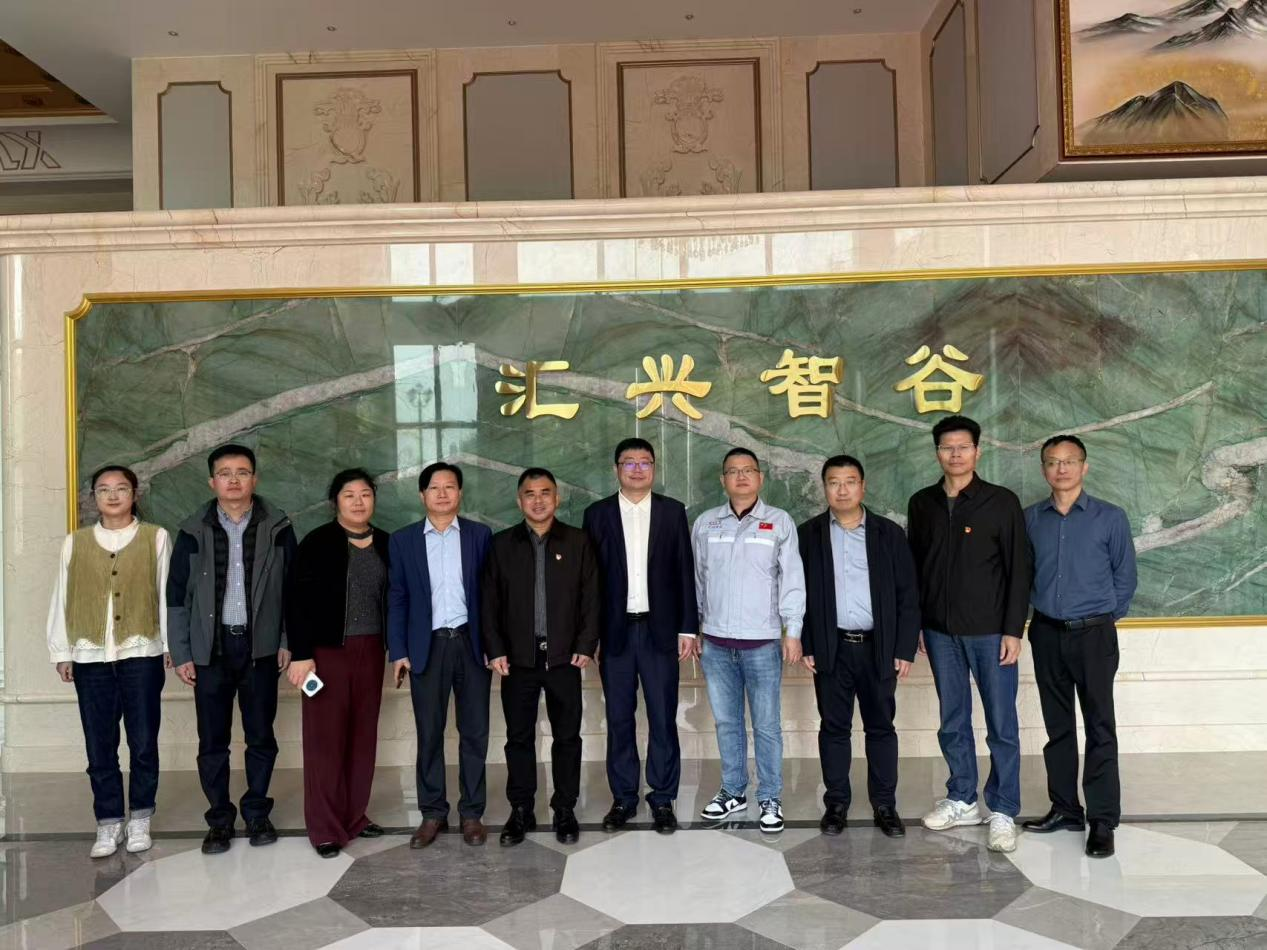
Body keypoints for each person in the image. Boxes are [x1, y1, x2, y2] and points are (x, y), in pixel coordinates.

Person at [906, 415, 1032, 853]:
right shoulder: (922, 503)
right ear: (937, 453)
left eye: (963, 447)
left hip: (991, 632)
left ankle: (1003, 808)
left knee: (1001, 723)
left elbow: (1019, 570)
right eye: (947, 447)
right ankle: (962, 798)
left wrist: (1013, 629)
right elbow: (915, 570)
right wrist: (918, 625)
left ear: (977, 452)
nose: (955, 454)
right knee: (953, 719)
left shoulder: (1001, 502)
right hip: (940, 633)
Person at [168, 443, 296, 855]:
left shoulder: (278, 526)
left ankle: (257, 812)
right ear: (212, 482)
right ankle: (219, 820)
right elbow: (176, 596)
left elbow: (292, 590)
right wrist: (182, 652)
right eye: (225, 473)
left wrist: (286, 641)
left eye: (242, 472)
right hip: (211, 649)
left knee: (261, 736)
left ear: (254, 479)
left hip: (261, 648)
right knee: (212, 741)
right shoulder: (193, 529)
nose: (234, 480)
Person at [47, 464, 170, 858]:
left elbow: (165, 593)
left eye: (121, 488)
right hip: (90, 656)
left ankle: (140, 818)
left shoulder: (156, 537)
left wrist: (171, 646)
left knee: (143, 741)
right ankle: (108, 821)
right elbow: (61, 598)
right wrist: (62, 652)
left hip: (142, 653)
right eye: (104, 489)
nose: (113, 495)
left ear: (135, 494)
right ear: (94, 497)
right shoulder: (75, 542)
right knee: (99, 744)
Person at [1022, 435, 1137, 858]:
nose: (1062, 468)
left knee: (1100, 726)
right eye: (1053, 462)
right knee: (1058, 727)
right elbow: (1022, 574)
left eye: (1070, 461)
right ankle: (1065, 808)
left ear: (1084, 467)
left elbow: (1125, 578)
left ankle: (1102, 819)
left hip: (1094, 634)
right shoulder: (1031, 519)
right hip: (1046, 633)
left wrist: (1100, 619)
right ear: (1044, 470)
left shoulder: (1110, 517)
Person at [798, 454, 920, 838]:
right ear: (825, 488)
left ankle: (885, 805)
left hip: (878, 647)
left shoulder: (888, 533)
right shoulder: (809, 534)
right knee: (834, 728)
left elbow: (908, 594)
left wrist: (903, 648)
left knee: (880, 727)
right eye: (834, 482)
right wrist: (806, 642)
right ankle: (836, 804)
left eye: (850, 481)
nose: (842, 489)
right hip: (831, 646)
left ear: (863, 487)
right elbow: (797, 595)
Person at [583, 438, 697, 835]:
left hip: (659, 632)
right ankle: (624, 798)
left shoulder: (671, 512)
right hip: (614, 633)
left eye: (644, 462)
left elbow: (684, 570)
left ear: (654, 467)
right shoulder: (597, 514)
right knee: (619, 718)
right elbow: (588, 580)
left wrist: (687, 627)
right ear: (616, 469)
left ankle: (662, 798)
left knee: (663, 718)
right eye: (628, 462)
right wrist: (590, 636)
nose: (636, 469)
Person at [482, 468, 599, 846]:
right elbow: (489, 603)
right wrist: (495, 649)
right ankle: (521, 810)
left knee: (567, 737)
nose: (538, 500)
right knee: (518, 738)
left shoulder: (578, 541)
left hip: (565, 658)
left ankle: (564, 808)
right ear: (519, 501)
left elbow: (591, 597)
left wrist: (585, 644)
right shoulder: (501, 545)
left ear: (556, 498)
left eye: (545, 492)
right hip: (517, 660)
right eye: (530, 494)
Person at [691, 448, 805, 834]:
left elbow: (792, 580)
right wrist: (694, 628)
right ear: (722, 479)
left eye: (748, 470)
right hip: (716, 643)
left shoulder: (779, 522)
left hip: (763, 643)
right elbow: (697, 580)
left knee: (767, 725)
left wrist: (793, 632)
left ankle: (770, 795)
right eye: (733, 471)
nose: (741, 477)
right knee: (727, 722)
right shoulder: (706, 523)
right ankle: (733, 790)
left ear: (760, 478)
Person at [285, 468, 390, 858]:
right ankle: (326, 828)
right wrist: (301, 654)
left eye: (365, 494)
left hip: (372, 650)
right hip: (326, 653)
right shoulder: (317, 542)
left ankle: (354, 817)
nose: (359, 502)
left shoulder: (388, 543)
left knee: (363, 737)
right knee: (325, 741)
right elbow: (295, 602)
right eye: (350, 495)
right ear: (336, 502)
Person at [388, 461, 493, 849]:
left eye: (450, 486)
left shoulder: (480, 536)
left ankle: (472, 813)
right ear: (422, 495)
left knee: (474, 732)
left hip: (472, 644)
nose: (443, 493)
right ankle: (433, 812)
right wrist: (399, 650)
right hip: (426, 647)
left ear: (460, 493)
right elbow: (397, 597)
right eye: (435, 487)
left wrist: (494, 646)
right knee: (429, 733)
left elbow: (492, 597)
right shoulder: (404, 540)